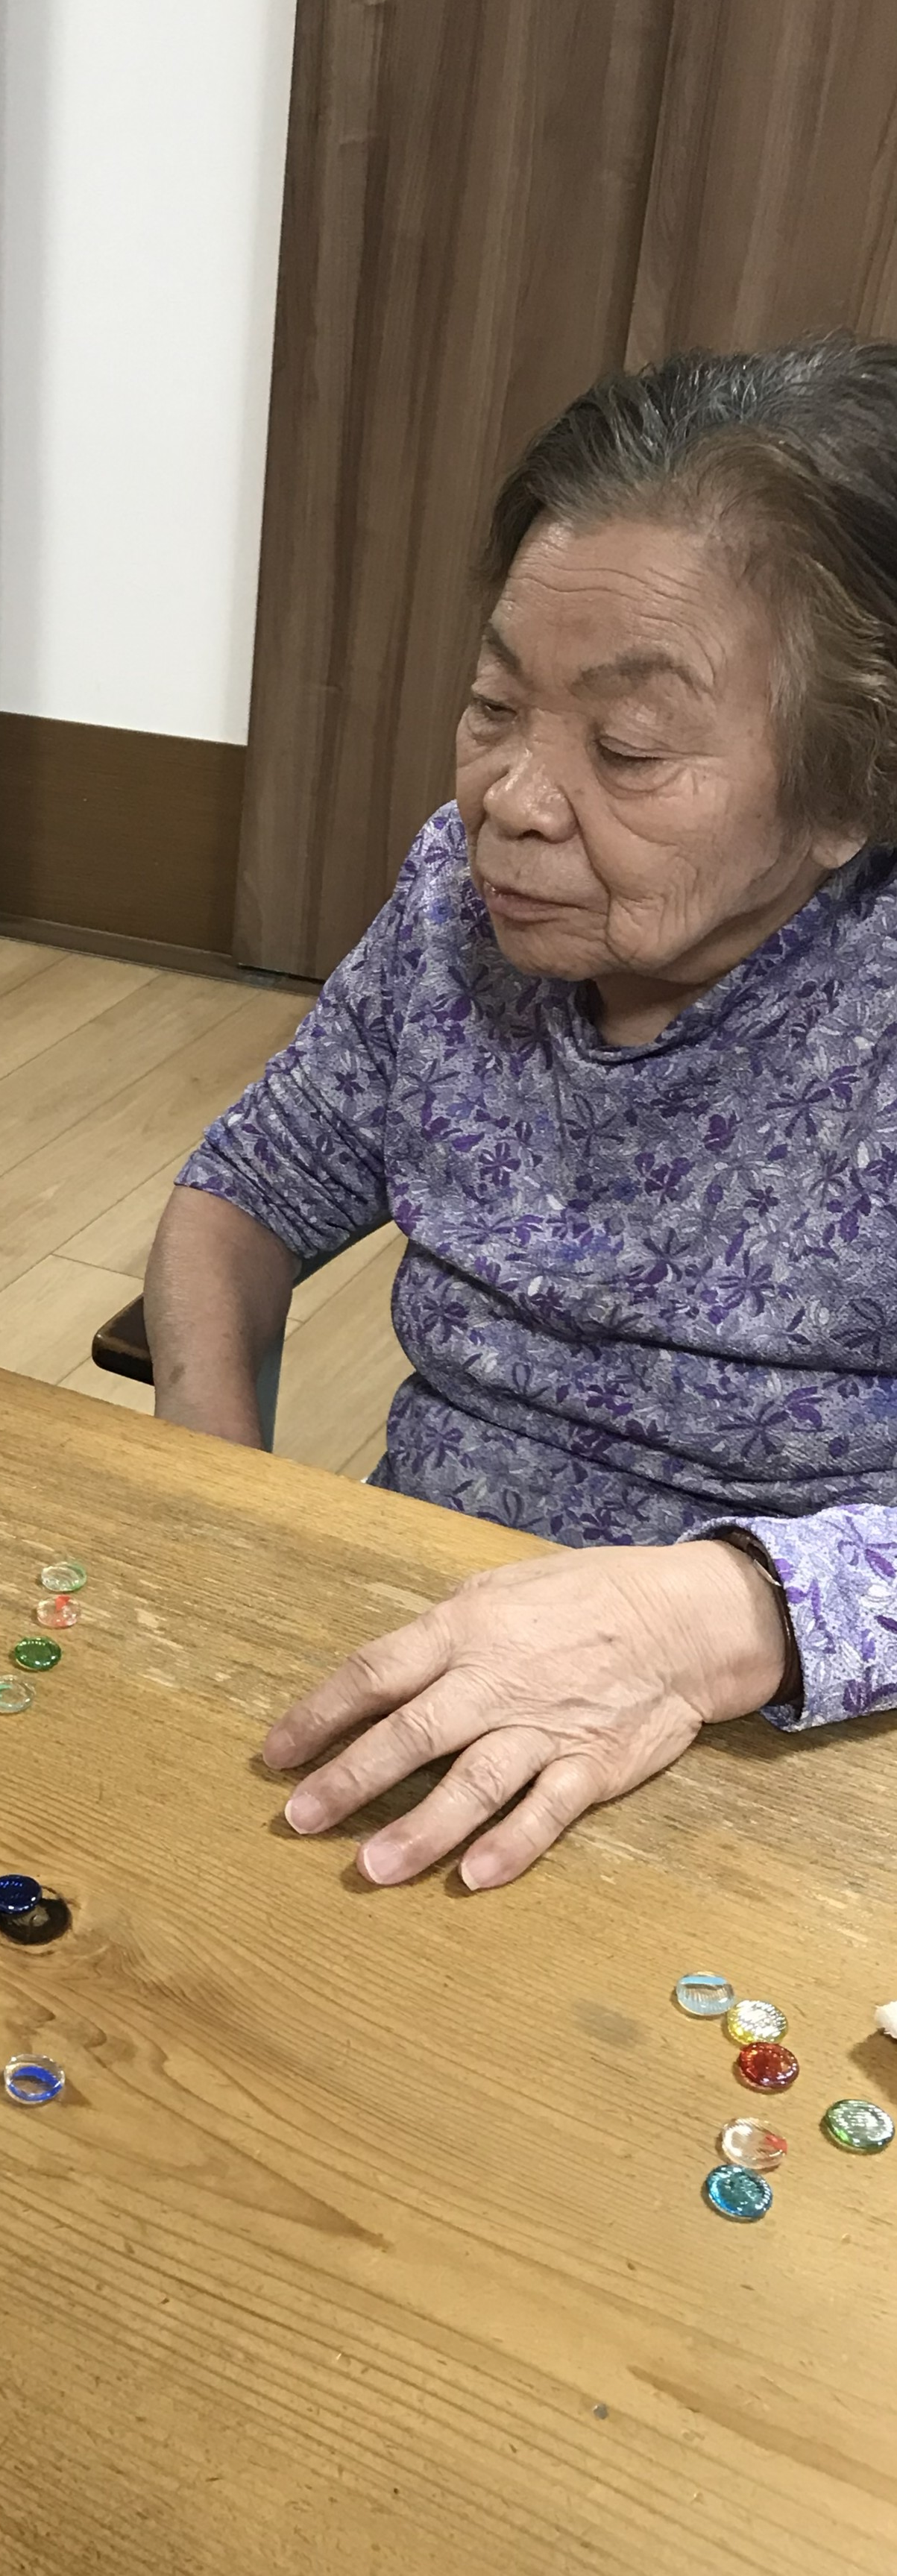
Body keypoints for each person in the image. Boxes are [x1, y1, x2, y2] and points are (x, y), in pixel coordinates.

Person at [148, 337, 897, 1890]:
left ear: (851, 792)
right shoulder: (458, 901)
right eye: (496, 704)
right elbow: (239, 1203)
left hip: (788, 1748)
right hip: (420, 1641)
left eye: (626, 749)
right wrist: (216, 1513)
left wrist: (717, 1615)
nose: (513, 800)